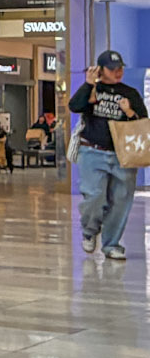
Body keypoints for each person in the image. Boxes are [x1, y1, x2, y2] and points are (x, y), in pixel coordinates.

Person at [71, 51, 145, 260]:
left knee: (121, 200)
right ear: (100, 70)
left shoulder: (129, 93)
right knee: (94, 196)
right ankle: (89, 230)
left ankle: (111, 244)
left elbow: (142, 121)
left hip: (123, 155)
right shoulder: (93, 89)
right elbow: (74, 106)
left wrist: (129, 112)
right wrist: (88, 84)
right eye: (113, 69)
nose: (118, 72)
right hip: (92, 151)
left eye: (120, 68)